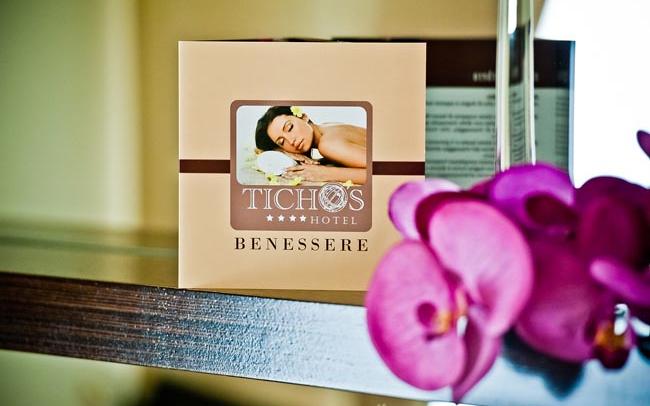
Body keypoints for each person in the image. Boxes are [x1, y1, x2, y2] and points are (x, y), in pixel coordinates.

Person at [255, 106, 367, 185]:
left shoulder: (327, 145)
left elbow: (375, 170)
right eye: (282, 142)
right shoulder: (326, 127)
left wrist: (325, 173)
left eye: (289, 128)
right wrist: (284, 152)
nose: (291, 140)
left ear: (303, 117)